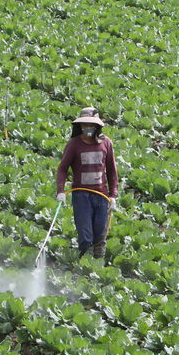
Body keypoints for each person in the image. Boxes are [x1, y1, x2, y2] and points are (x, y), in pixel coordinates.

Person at [55, 107, 118, 260]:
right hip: (81, 195)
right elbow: (62, 168)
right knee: (86, 235)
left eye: (91, 125)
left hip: (101, 195)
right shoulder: (74, 144)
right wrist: (61, 191)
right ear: (80, 126)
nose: (87, 128)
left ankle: (98, 266)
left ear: (97, 126)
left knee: (100, 234)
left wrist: (113, 195)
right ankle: (85, 264)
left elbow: (111, 170)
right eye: (84, 125)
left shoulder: (106, 143)